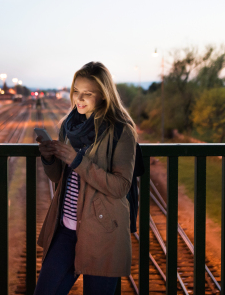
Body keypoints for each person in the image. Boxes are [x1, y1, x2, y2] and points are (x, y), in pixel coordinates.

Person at [34, 61, 137, 295]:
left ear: (103, 95)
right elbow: (59, 178)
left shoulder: (121, 131)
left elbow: (121, 186)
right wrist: (50, 158)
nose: (79, 99)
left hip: (102, 232)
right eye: (76, 91)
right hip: (66, 229)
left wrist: (77, 160)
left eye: (87, 93)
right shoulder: (70, 126)